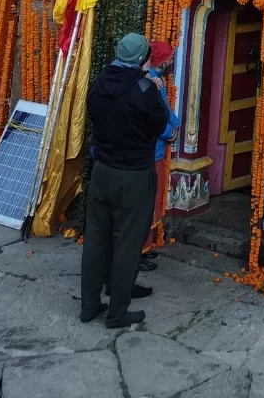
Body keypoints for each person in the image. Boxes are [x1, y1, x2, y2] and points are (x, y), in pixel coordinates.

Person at [80, 32, 167, 328]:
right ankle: (117, 312)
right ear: (144, 59)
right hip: (133, 175)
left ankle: (90, 305)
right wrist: (155, 88)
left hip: (102, 171)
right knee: (128, 242)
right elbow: (159, 124)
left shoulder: (100, 81)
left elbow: (92, 112)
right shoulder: (145, 89)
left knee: (96, 239)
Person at [139, 38, 180, 270]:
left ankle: (145, 248)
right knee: (145, 202)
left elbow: (164, 109)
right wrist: (170, 131)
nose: (173, 60)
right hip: (150, 150)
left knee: (151, 201)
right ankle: (139, 252)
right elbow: (155, 114)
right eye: (170, 57)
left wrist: (175, 124)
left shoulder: (157, 80)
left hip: (156, 148)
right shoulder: (149, 81)